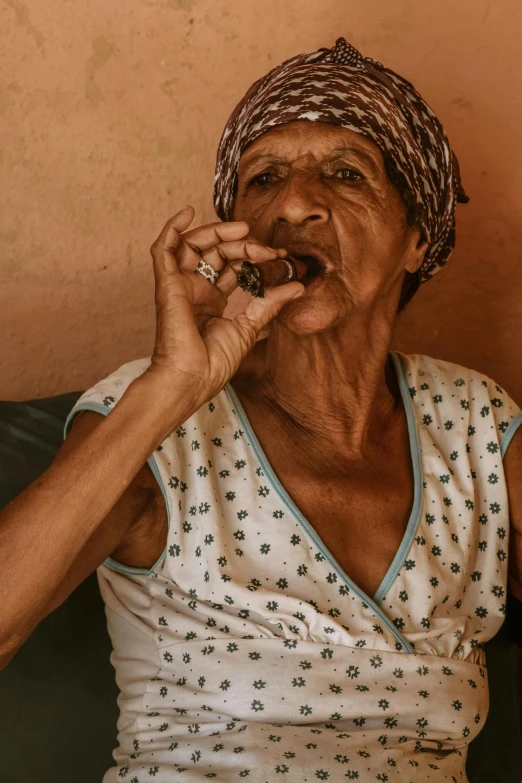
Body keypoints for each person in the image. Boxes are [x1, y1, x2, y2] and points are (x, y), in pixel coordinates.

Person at [1, 37, 521, 782]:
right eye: (264, 177)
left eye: (346, 174)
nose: (294, 203)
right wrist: (175, 382)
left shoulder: (472, 421)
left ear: (416, 238)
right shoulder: (158, 414)